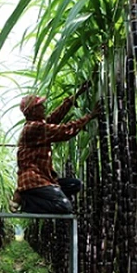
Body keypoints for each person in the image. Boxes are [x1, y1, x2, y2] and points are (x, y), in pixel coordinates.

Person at [12, 82, 100, 214]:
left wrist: (76, 95)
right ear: (33, 111)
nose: (44, 107)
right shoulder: (33, 128)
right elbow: (65, 131)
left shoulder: (38, 125)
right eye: (40, 105)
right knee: (65, 207)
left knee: (74, 185)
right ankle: (26, 202)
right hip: (34, 180)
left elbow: (56, 116)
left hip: (44, 178)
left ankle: (28, 195)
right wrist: (89, 116)